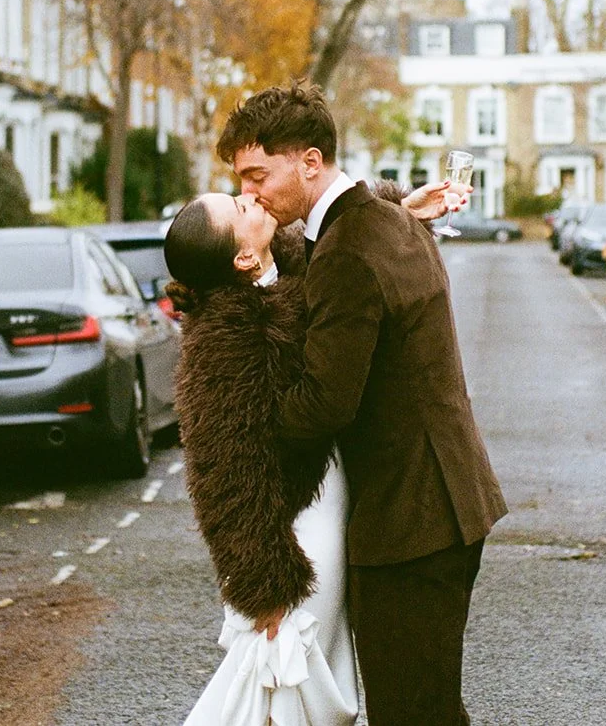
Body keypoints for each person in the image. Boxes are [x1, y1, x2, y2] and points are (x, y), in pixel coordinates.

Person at [217, 80, 508, 726]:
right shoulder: (387, 220)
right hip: (448, 501)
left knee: (412, 713)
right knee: (430, 706)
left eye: (258, 175)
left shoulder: (348, 251)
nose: (250, 194)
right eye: (241, 181)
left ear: (310, 161)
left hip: (410, 519)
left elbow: (323, 403)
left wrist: (244, 426)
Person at [166, 182, 451, 726]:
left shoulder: (294, 262)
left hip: (335, 500)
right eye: (240, 208)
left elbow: (344, 238)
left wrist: (398, 210)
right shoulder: (225, 337)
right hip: (297, 534)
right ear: (243, 257)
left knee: (316, 676)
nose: (251, 197)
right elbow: (223, 474)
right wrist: (264, 585)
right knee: (286, 678)